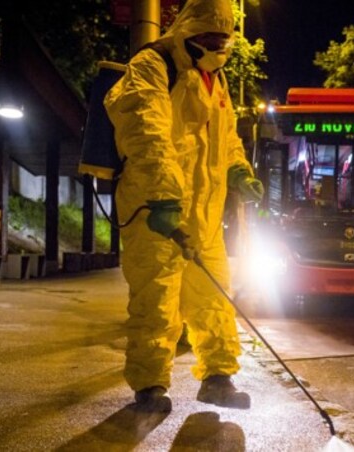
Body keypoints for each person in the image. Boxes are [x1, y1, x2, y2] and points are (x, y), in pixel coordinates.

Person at [104, 0, 264, 412]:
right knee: (155, 299)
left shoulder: (218, 79)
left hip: (204, 213)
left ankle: (217, 377)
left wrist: (239, 172)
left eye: (222, 42)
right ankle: (150, 387)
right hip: (155, 208)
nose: (216, 49)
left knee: (213, 295)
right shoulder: (153, 65)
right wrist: (163, 196)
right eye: (208, 41)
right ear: (187, 33)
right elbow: (146, 132)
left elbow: (226, 137)